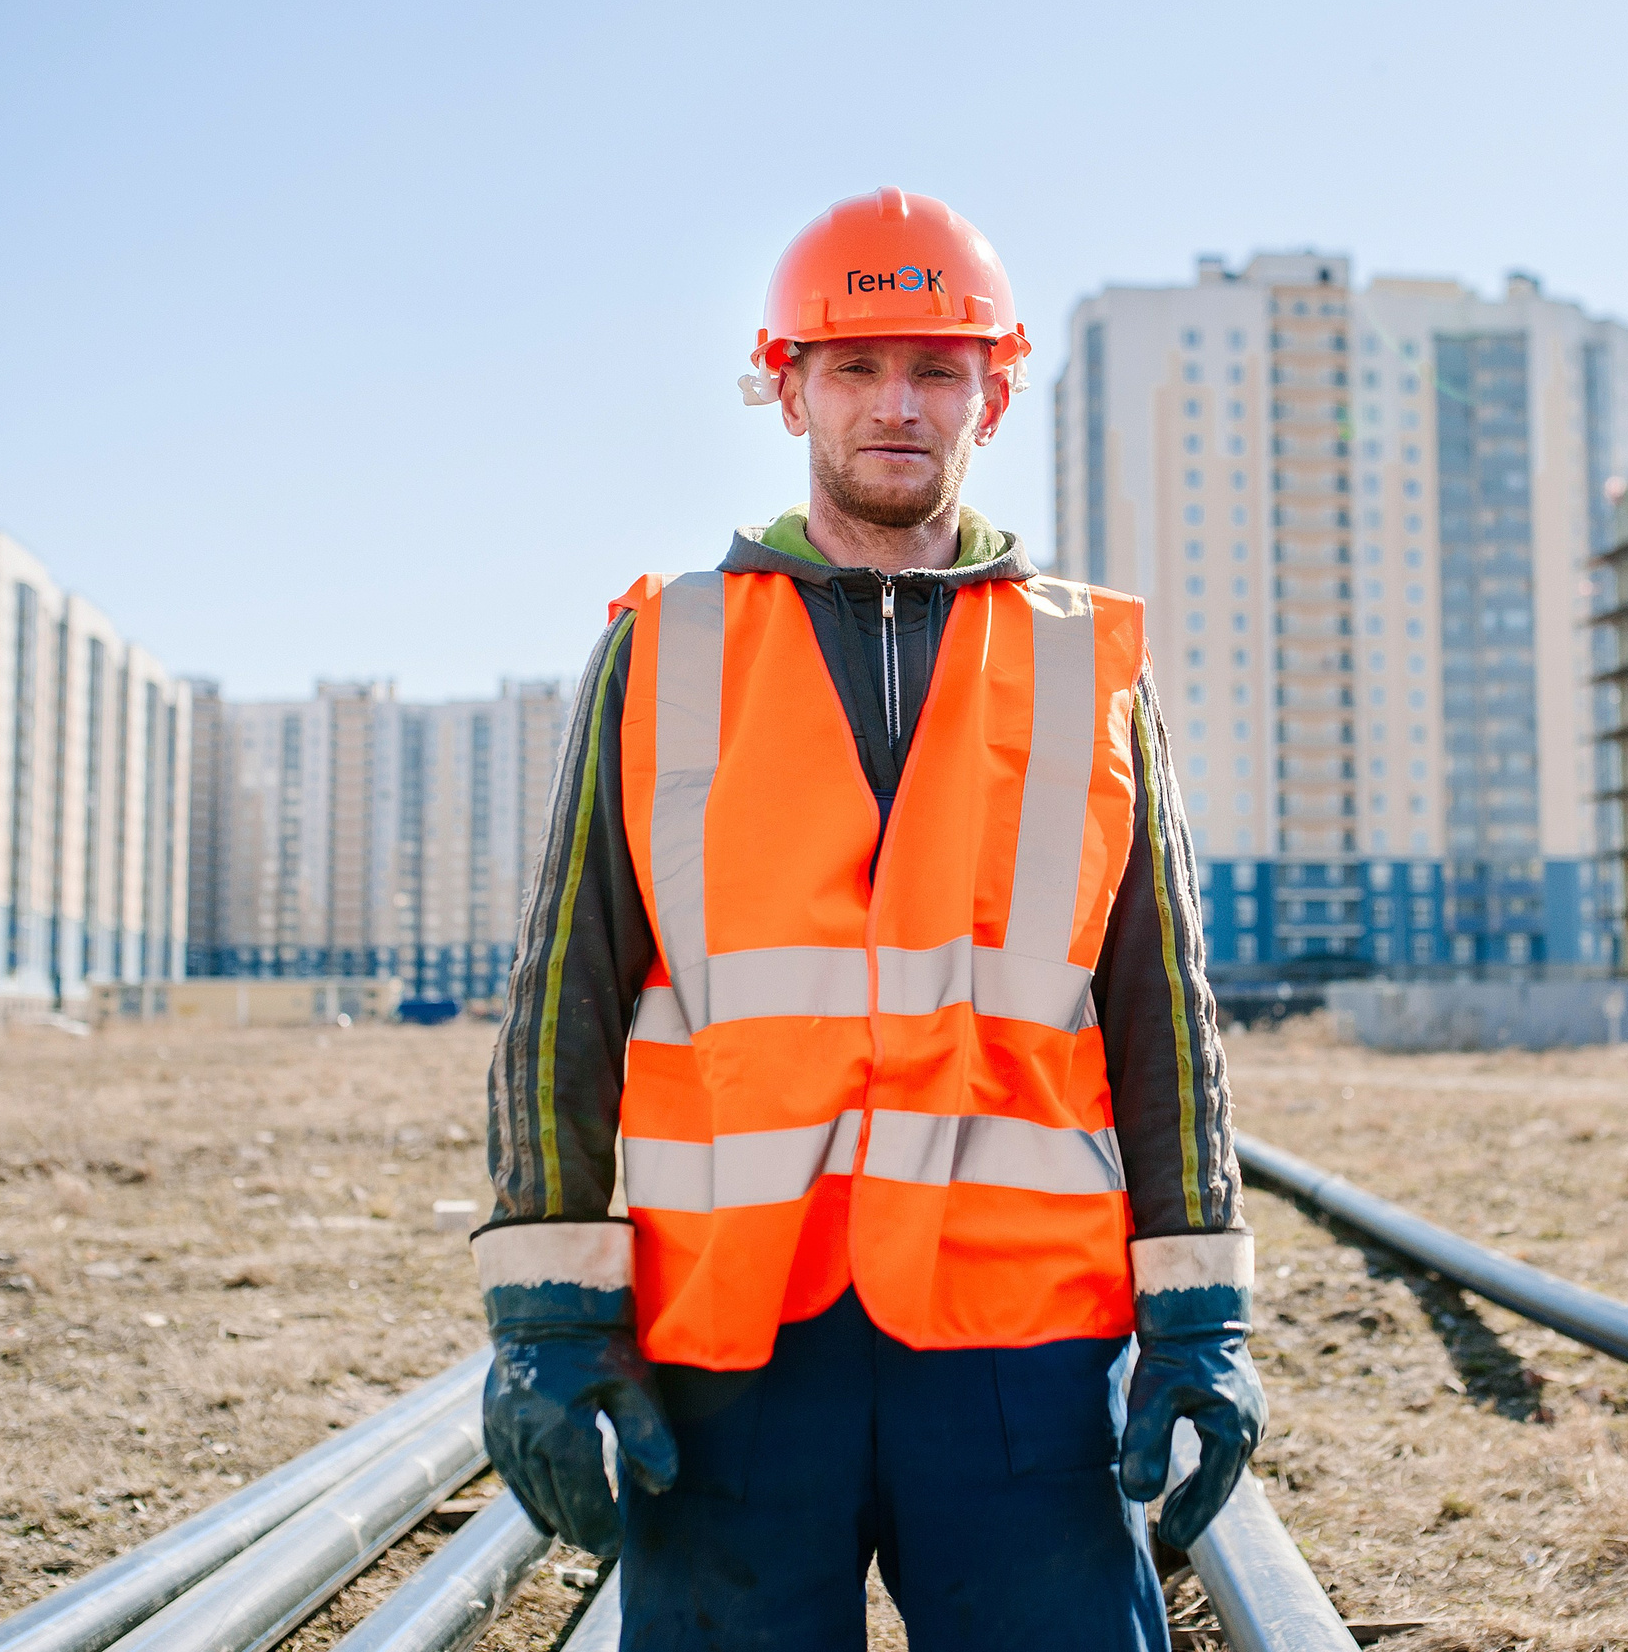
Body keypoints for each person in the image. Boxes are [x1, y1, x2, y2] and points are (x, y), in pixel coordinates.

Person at [473, 187, 1260, 1652]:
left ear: (995, 392)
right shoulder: (667, 647)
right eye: (856, 367)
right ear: (789, 389)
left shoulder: (1090, 668)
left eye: (936, 368)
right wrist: (544, 1313)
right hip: (737, 1343)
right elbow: (563, 990)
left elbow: (1164, 1006)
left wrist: (1200, 1316)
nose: (897, 404)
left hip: (1017, 1342)